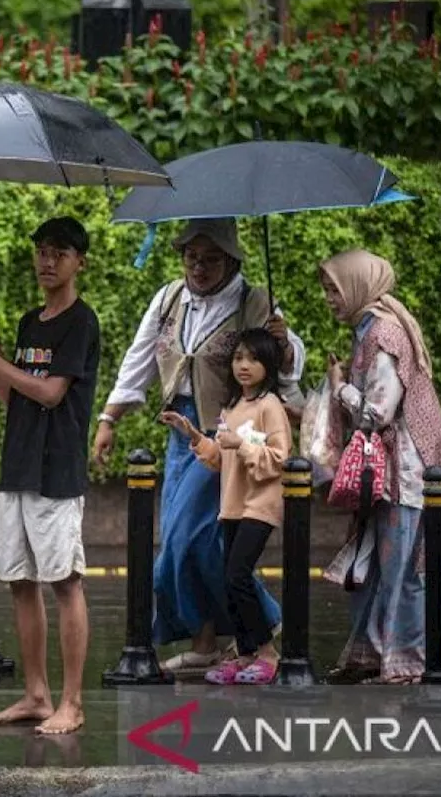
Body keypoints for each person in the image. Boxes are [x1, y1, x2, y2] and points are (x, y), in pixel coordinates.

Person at [91, 218, 304, 671]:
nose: (200, 268)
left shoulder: (254, 300)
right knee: (192, 539)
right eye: (192, 257)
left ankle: (262, 626)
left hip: (229, 431)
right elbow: (139, 357)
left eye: (211, 259)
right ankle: (209, 641)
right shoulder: (170, 298)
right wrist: (110, 417)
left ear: (231, 260)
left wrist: (283, 345)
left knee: (186, 538)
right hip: (181, 432)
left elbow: (289, 360)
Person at [0, 217, 99, 735]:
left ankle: (73, 703)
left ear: (79, 262)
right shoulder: (28, 322)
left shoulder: (81, 323)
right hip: (18, 466)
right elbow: (13, 399)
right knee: (20, 583)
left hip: (56, 471)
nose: (47, 261)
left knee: (64, 582)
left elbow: (51, 392)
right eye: (41, 252)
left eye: (59, 253)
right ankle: (37, 695)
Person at [318, 249, 441, 685]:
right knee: (371, 566)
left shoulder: (385, 334)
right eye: (326, 290)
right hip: (384, 471)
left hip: (408, 474)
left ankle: (405, 663)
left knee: (400, 570)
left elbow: (378, 411)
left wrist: (340, 390)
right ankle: (372, 656)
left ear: (359, 286)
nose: (329, 299)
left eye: (334, 289)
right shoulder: (367, 331)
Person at [163, 328, 290, 685]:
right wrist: (192, 434)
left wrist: (242, 445)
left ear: (269, 364)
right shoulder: (233, 407)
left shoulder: (270, 406)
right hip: (232, 504)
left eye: (253, 359)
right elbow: (221, 458)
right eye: (237, 358)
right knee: (230, 579)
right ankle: (246, 652)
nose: (243, 366)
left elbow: (278, 458)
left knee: (237, 574)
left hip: (259, 504)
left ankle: (267, 652)